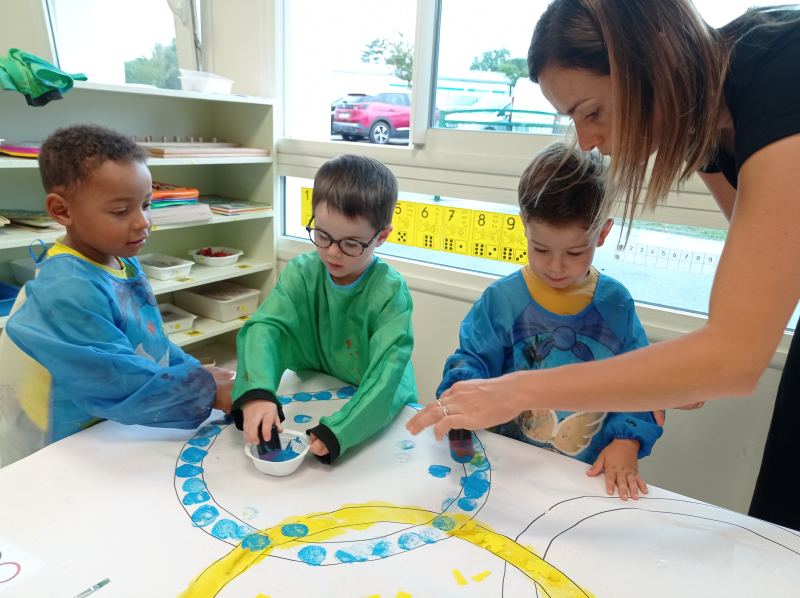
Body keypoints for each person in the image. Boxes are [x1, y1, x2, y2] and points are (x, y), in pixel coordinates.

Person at [407, 1, 800, 529]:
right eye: (574, 120)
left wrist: (515, 391)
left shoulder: (782, 76)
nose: (589, 141)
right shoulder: (707, 126)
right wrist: (684, 375)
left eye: (592, 112)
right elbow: (766, 287)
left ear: (653, 59)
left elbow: (735, 357)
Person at [436, 143, 663, 500]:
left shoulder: (615, 304)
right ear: (524, 226)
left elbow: (639, 382)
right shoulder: (503, 300)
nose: (556, 267)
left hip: (583, 476)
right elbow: (472, 363)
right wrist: (461, 406)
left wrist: (627, 440)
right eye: (540, 249)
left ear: (602, 234)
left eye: (574, 252)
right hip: (506, 467)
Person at [0, 124, 233, 467]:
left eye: (146, 204)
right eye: (121, 211)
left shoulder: (121, 257)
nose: (143, 223)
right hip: (59, 436)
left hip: (107, 422)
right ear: (62, 210)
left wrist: (195, 371)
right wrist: (206, 389)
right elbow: (113, 380)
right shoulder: (67, 287)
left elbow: (152, 343)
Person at [232, 154, 416, 464]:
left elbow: (386, 375)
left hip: (377, 401)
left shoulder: (390, 292)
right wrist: (257, 393)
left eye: (351, 243)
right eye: (322, 235)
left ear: (382, 236)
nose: (332, 252)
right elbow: (265, 329)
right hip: (320, 385)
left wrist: (341, 430)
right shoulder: (302, 273)